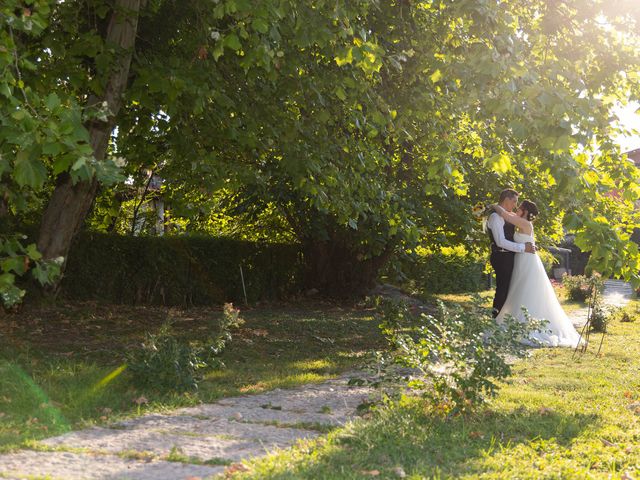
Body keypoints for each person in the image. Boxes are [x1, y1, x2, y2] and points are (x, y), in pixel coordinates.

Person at [492, 200, 582, 347]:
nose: (517, 209)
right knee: (518, 290)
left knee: (526, 290)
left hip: (528, 261)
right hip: (521, 260)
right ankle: (517, 321)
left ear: (525, 211)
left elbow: (505, 215)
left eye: (520, 207)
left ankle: (529, 324)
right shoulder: (520, 220)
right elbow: (508, 214)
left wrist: (493, 206)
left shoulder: (525, 224)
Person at [486, 189, 536, 318]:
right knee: (502, 290)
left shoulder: (507, 215)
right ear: (507, 199)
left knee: (510, 290)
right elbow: (501, 242)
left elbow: (510, 217)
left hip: (511, 257)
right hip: (501, 256)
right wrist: (523, 248)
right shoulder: (495, 217)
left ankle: (506, 319)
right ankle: (496, 320)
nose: (515, 206)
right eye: (514, 201)